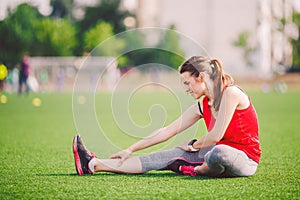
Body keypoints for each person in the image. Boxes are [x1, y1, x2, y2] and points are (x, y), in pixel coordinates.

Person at [73, 55, 262, 178]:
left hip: (244, 159)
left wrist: (191, 145)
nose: (186, 89)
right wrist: (130, 149)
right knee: (161, 157)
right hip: (214, 153)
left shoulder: (231, 93)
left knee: (218, 153)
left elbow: (215, 136)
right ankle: (94, 164)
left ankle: (198, 169)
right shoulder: (202, 105)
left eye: (188, 83)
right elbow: (167, 131)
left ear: (202, 77)